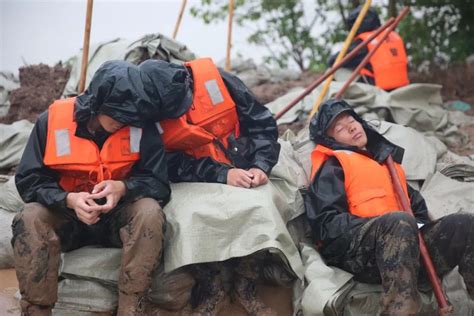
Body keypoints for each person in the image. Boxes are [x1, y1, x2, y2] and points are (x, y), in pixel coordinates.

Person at [11, 60, 170, 316]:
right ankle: (36, 309)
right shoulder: (50, 121)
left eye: (130, 116)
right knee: (29, 216)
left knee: (150, 210)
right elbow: (29, 179)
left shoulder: (142, 125)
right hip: (68, 220)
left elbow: (159, 182)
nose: (124, 121)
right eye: (118, 114)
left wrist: (122, 187)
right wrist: (68, 200)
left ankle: (132, 307)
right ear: (97, 103)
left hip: (115, 220)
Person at [138, 57, 282, 315]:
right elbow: (164, 164)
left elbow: (262, 124)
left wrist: (260, 165)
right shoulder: (147, 111)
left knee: (259, 206)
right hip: (194, 179)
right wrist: (221, 174)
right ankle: (212, 289)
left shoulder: (220, 79)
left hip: (245, 167)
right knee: (187, 217)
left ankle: (245, 288)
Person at [305, 99, 474, 314]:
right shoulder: (333, 167)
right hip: (362, 257)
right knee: (399, 221)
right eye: (339, 128)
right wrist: (385, 227)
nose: (351, 127)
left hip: (408, 252)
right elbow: (327, 224)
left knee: (465, 224)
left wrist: (415, 229)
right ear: (330, 140)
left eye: (352, 120)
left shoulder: (387, 165)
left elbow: (418, 210)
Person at [328, 7, 409, 90]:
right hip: (401, 87)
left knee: (334, 70)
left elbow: (334, 61)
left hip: (378, 90)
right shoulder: (395, 36)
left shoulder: (365, 41)